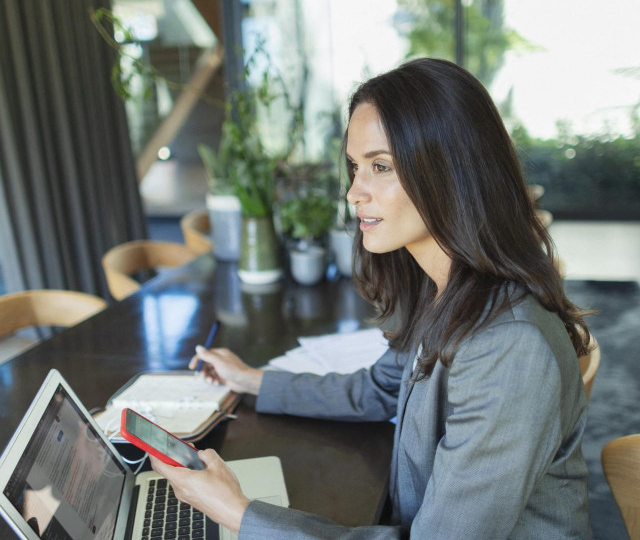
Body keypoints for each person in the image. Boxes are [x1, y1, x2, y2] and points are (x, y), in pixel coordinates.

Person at [150, 58, 594, 539]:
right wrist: (253, 380)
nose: (354, 193)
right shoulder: (441, 288)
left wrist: (237, 512)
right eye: (355, 167)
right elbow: (378, 389)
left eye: (380, 167)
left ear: (450, 171)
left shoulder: (507, 348)